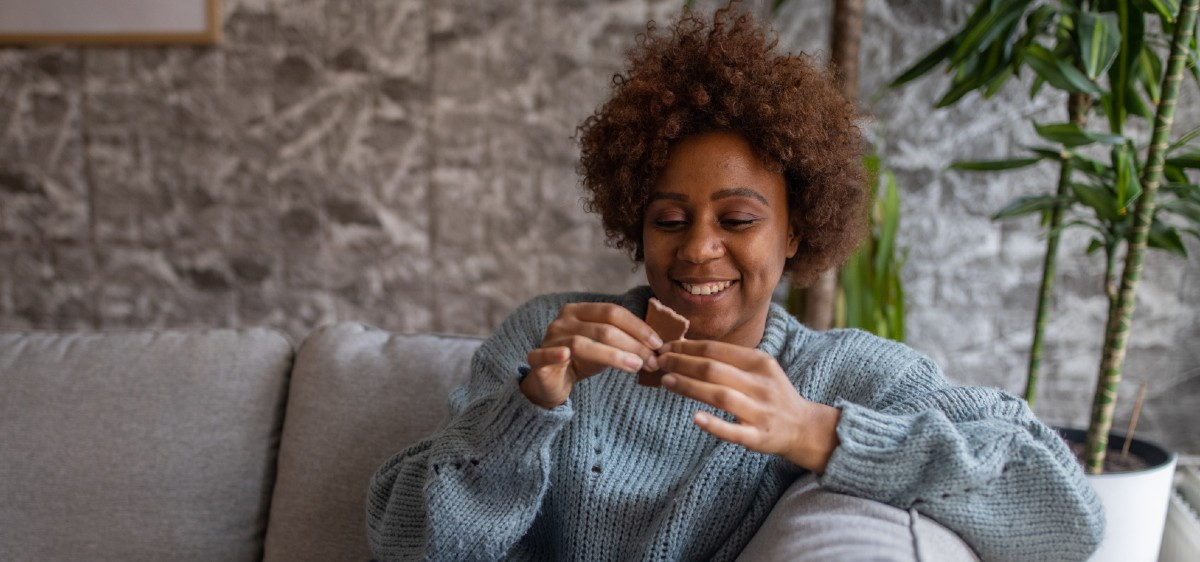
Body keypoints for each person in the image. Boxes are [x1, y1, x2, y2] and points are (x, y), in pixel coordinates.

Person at [366, 4, 1104, 561]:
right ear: (635, 223)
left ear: (795, 230)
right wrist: (529, 407)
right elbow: (407, 541)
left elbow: (1068, 515)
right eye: (670, 218)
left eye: (739, 219)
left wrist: (815, 431)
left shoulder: (838, 373)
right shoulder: (546, 337)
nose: (699, 249)